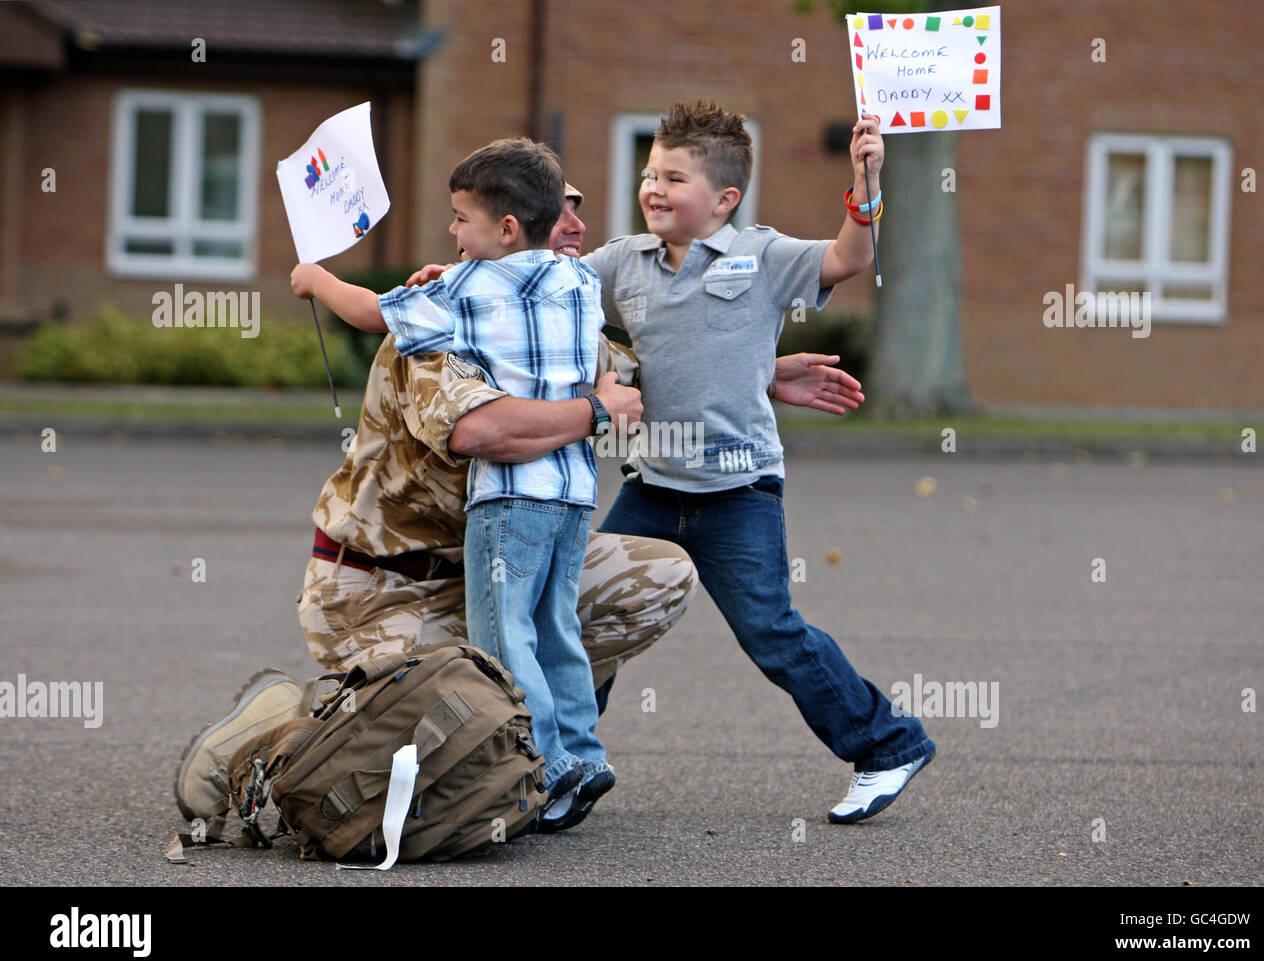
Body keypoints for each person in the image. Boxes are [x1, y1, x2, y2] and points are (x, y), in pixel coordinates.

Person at [175, 183, 695, 834]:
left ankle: (529, 750)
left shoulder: (560, 306)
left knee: (658, 579)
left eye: (580, 207)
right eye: (558, 208)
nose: (577, 224)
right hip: (383, 589)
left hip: (487, 571)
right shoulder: (441, 319)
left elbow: (641, 374)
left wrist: (764, 375)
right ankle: (283, 730)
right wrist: (595, 411)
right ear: (510, 226)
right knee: (434, 741)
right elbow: (479, 430)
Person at [579, 101, 936, 823]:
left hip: (739, 494)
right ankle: (563, 763)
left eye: (673, 177)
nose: (653, 188)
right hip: (651, 488)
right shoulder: (621, 262)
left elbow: (850, 258)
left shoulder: (762, 255)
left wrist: (866, 184)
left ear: (724, 199)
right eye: (649, 172)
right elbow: (551, 300)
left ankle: (887, 743)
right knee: (587, 617)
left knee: (772, 631)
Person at [292, 138, 618, 826]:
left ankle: (547, 768)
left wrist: (314, 278)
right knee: (556, 627)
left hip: (508, 497)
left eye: (461, 218)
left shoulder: (462, 288)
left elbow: (367, 312)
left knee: (503, 640)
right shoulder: (579, 282)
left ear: (502, 229)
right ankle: (586, 755)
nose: (452, 231)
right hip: (574, 494)